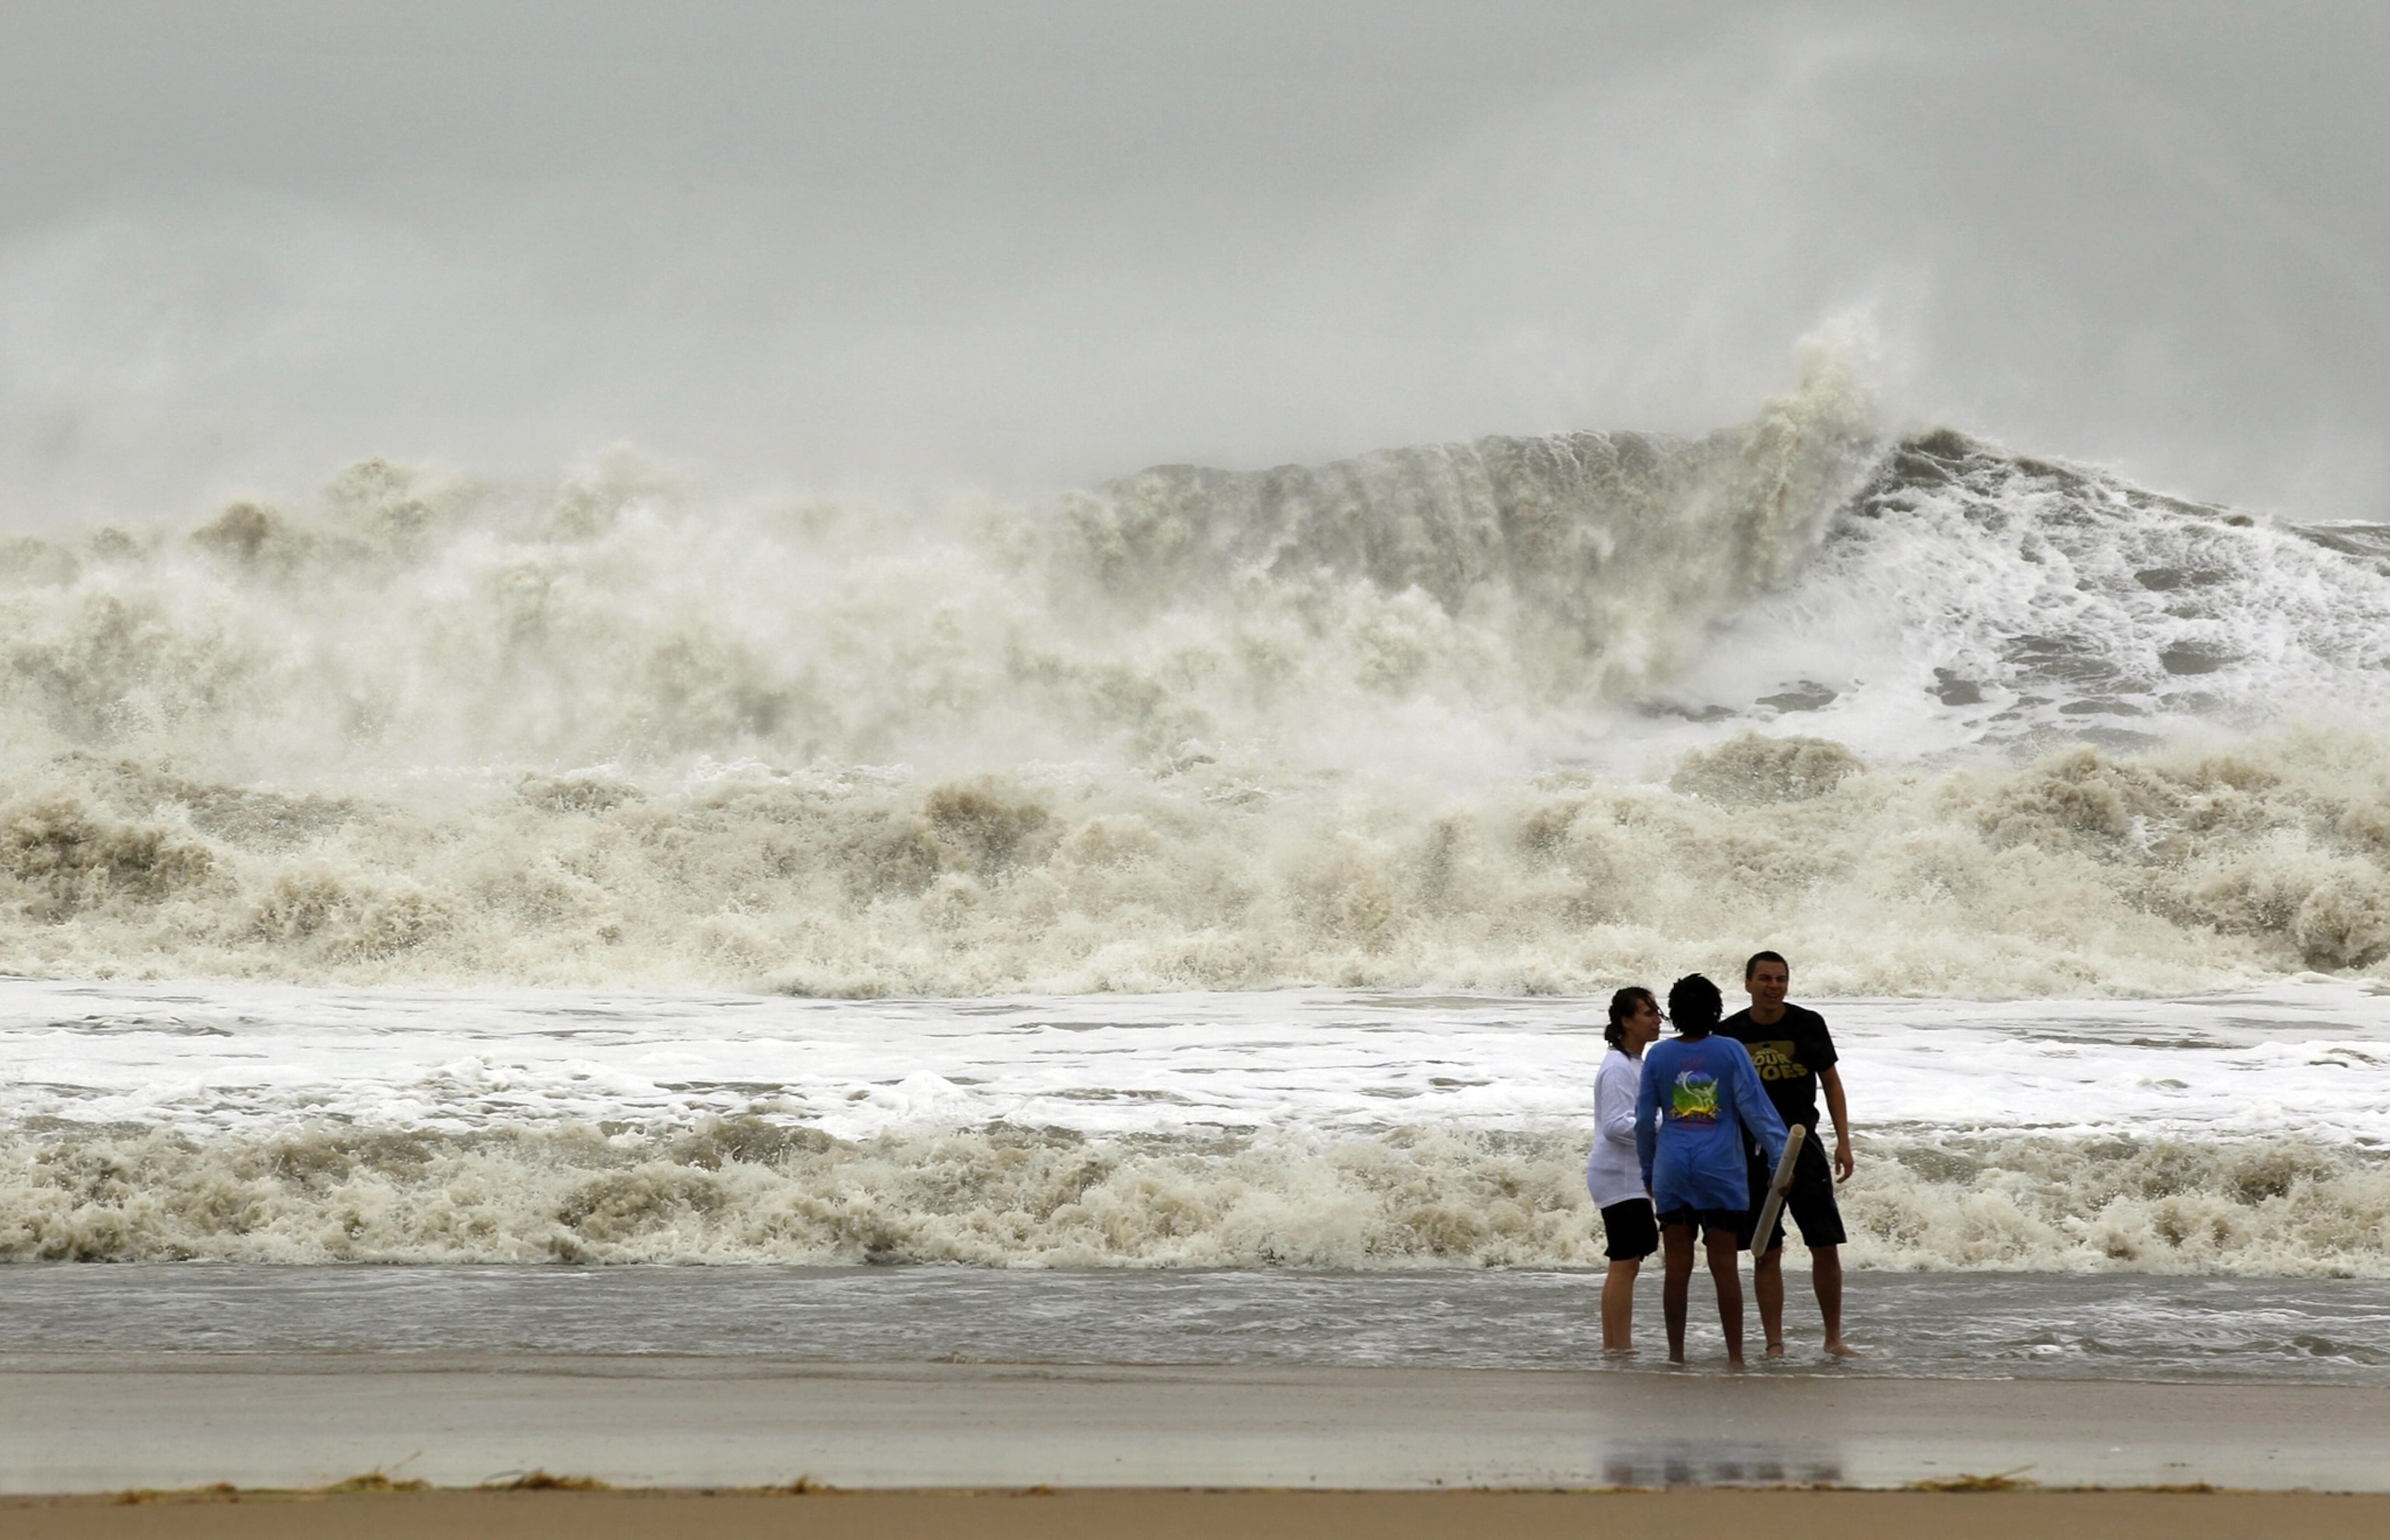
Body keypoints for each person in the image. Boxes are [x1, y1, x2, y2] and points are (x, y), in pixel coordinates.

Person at [1635, 973, 1788, 1367]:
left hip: (1673, 1167)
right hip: (1719, 1168)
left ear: (1676, 1014)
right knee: (1724, 1268)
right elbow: (1756, 1110)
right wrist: (1780, 1160)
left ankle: (1676, 1355)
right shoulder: (1730, 1051)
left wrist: (1649, 1172)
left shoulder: (1660, 1056)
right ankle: (1735, 1357)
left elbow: (1642, 1121)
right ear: (1716, 1010)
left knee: (1677, 1270)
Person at [1719, 950, 1855, 1357]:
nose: (1773, 986)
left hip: (1804, 1147)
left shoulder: (1808, 1024)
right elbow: (1722, 1101)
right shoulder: (1729, 1034)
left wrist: (1843, 1141)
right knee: (1766, 1248)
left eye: (1780, 979)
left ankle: (1833, 1338)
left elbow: (1831, 1083)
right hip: (1753, 1153)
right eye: (1764, 979)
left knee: (1824, 1244)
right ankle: (1774, 1342)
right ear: (1747, 984)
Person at [1585, 986, 1664, 1350]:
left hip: (1630, 1173)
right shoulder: (1617, 1066)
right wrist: (1669, 1126)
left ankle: (1614, 1344)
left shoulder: (1635, 1063)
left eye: (1656, 1012)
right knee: (1624, 1261)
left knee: (1626, 1260)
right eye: (1647, 1013)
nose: (1656, 1019)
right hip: (1618, 1174)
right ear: (1625, 1021)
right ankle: (1618, 1347)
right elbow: (1617, 1125)